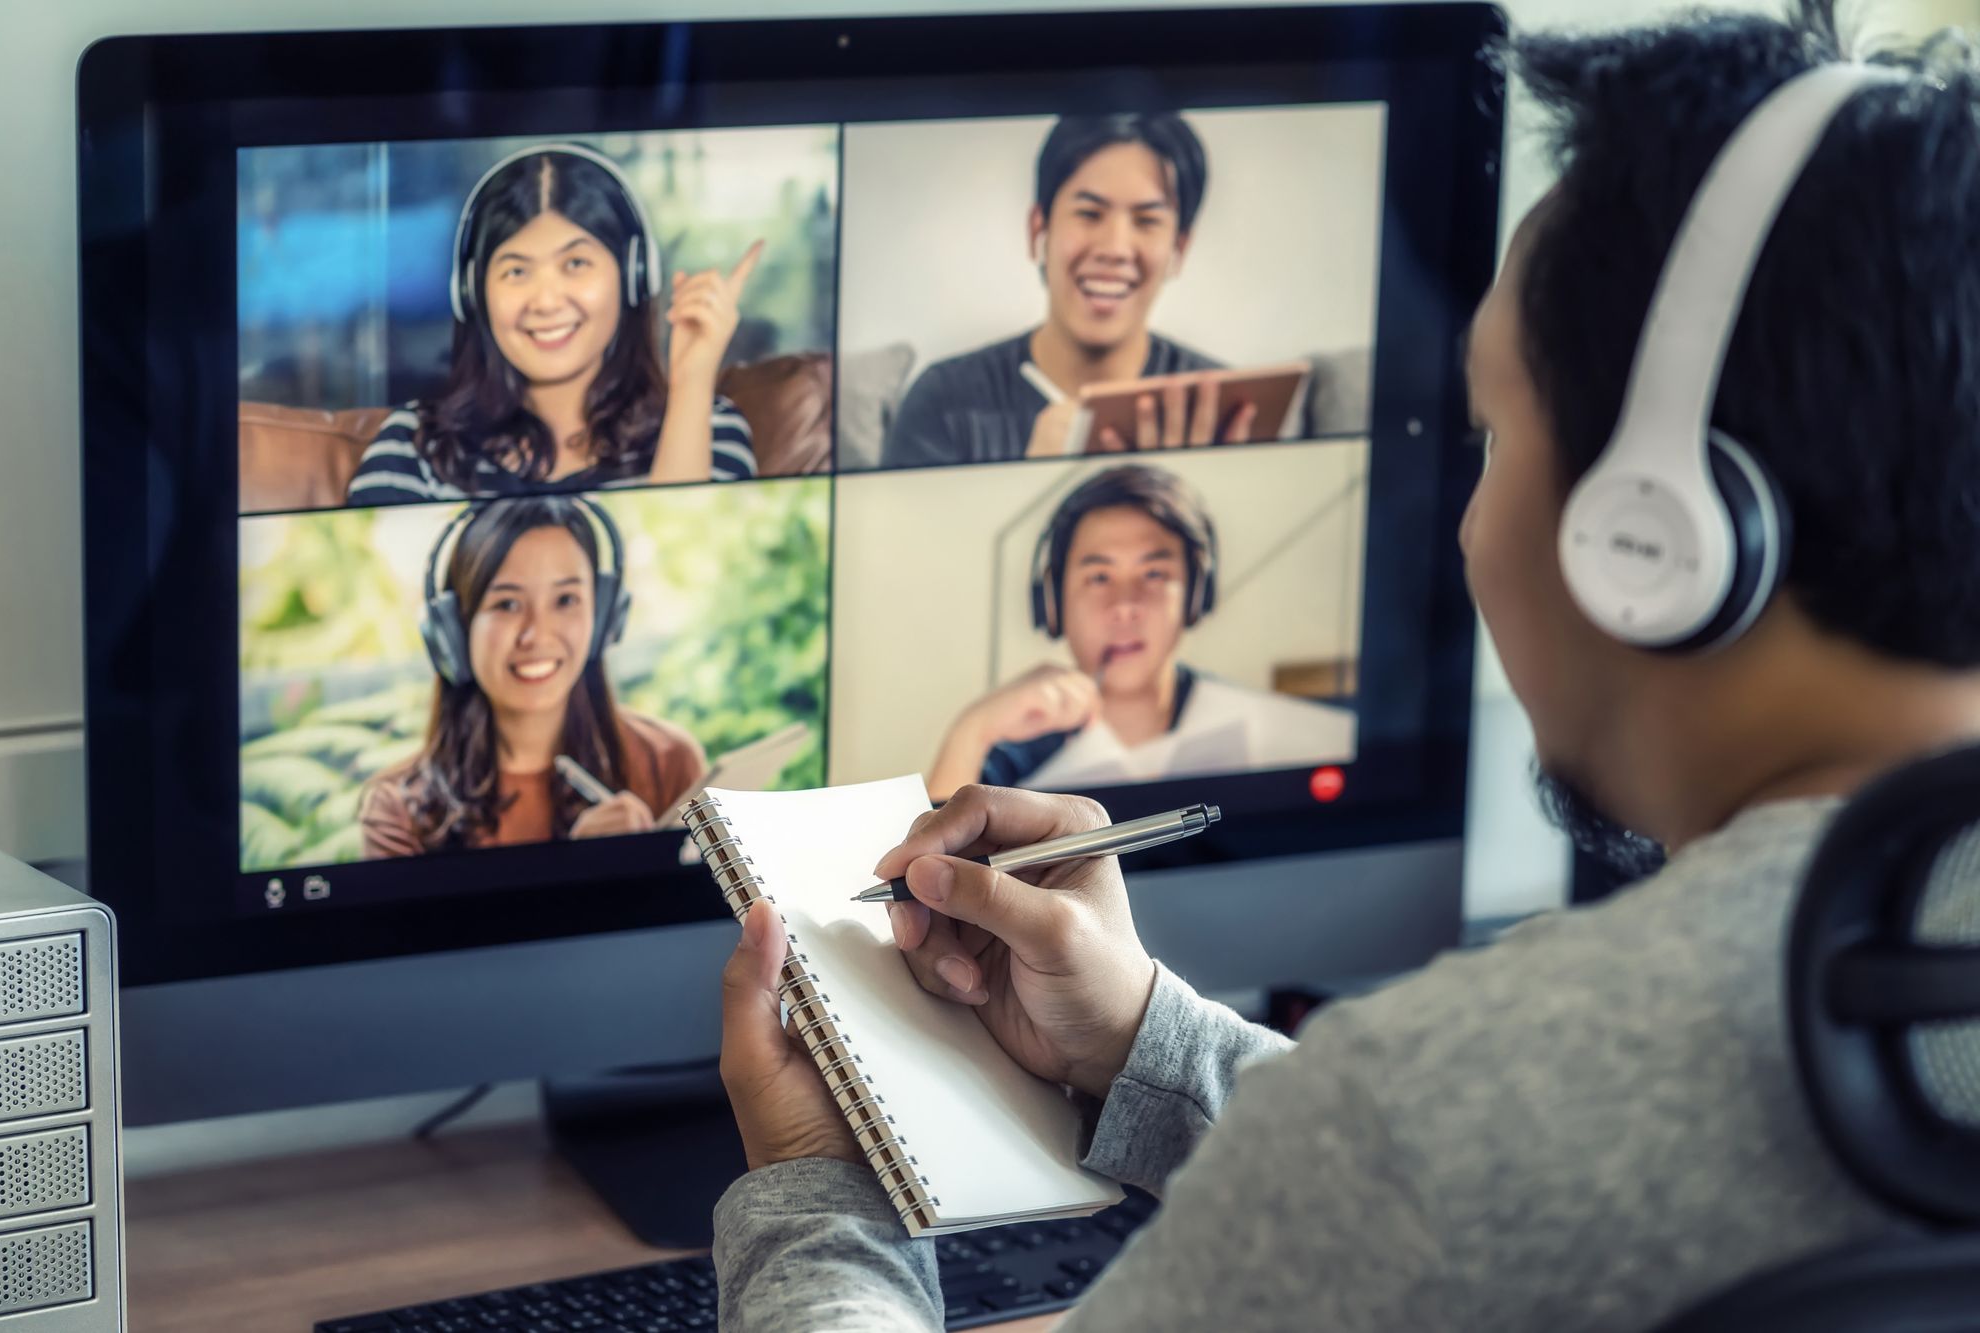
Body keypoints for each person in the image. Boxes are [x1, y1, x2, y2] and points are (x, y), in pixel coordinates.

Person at [710, 5, 1980, 1330]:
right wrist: (1154, 1047)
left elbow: (1436, 1167)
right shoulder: (1468, 1124)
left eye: (1491, 431)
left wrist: (820, 1180)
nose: (1467, 520)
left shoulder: (1423, 1119)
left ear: (1648, 535)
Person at [348, 144, 760, 505]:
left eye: (575, 264)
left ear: (634, 277)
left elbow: (694, 578)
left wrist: (691, 385)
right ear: (471, 294)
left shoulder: (708, 426)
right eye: (516, 272)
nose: (546, 302)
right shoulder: (414, 447)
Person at [924, 462, 1355, 801]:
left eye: (1153, 573)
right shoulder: (1005, 759)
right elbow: (931, 872)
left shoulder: (1258, 726)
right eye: (1098, 578)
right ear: (1053, 602)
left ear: (1194, 594)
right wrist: (971, 731)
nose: (1125, 605)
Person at [881, 113, 1261, 470]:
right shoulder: (944, 402)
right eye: (1089, 214)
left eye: (1147, 221)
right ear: (1037, 231)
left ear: (1179, 249)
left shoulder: (1222, 407)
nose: (1114, 248)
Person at [359, 496, 704, 856]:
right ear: (455, 632)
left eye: (566, 599)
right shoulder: (397, 809)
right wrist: (580, 870)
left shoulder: (669, 763)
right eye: (507, 604)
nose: (537, 634)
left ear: (602, 617)